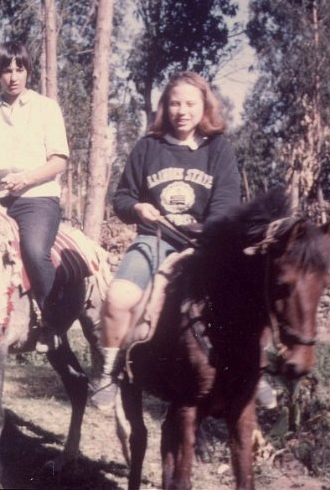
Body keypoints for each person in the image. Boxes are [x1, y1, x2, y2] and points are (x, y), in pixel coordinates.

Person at [89, 72, 242, 410]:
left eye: (190, 103)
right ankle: (108, 373)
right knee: (117, 298)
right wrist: (138, 208)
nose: (182, 111)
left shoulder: (218, 150)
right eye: (175, 103)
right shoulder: (148, 147)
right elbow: (122, 198)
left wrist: (205, 239)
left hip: (204, 248)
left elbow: (227, 205)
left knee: (241, 301)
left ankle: (251, 374)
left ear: (204, 106)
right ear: (164, 107)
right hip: (154, 242)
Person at [0, 40, 70, 349]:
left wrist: (24, 179)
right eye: (6, 70)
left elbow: (58, 161)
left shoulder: (46, 108)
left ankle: (52, 322)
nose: (13, 77)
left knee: (34, 251)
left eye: (19, 69)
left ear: (28, 71)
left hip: (38, 196)